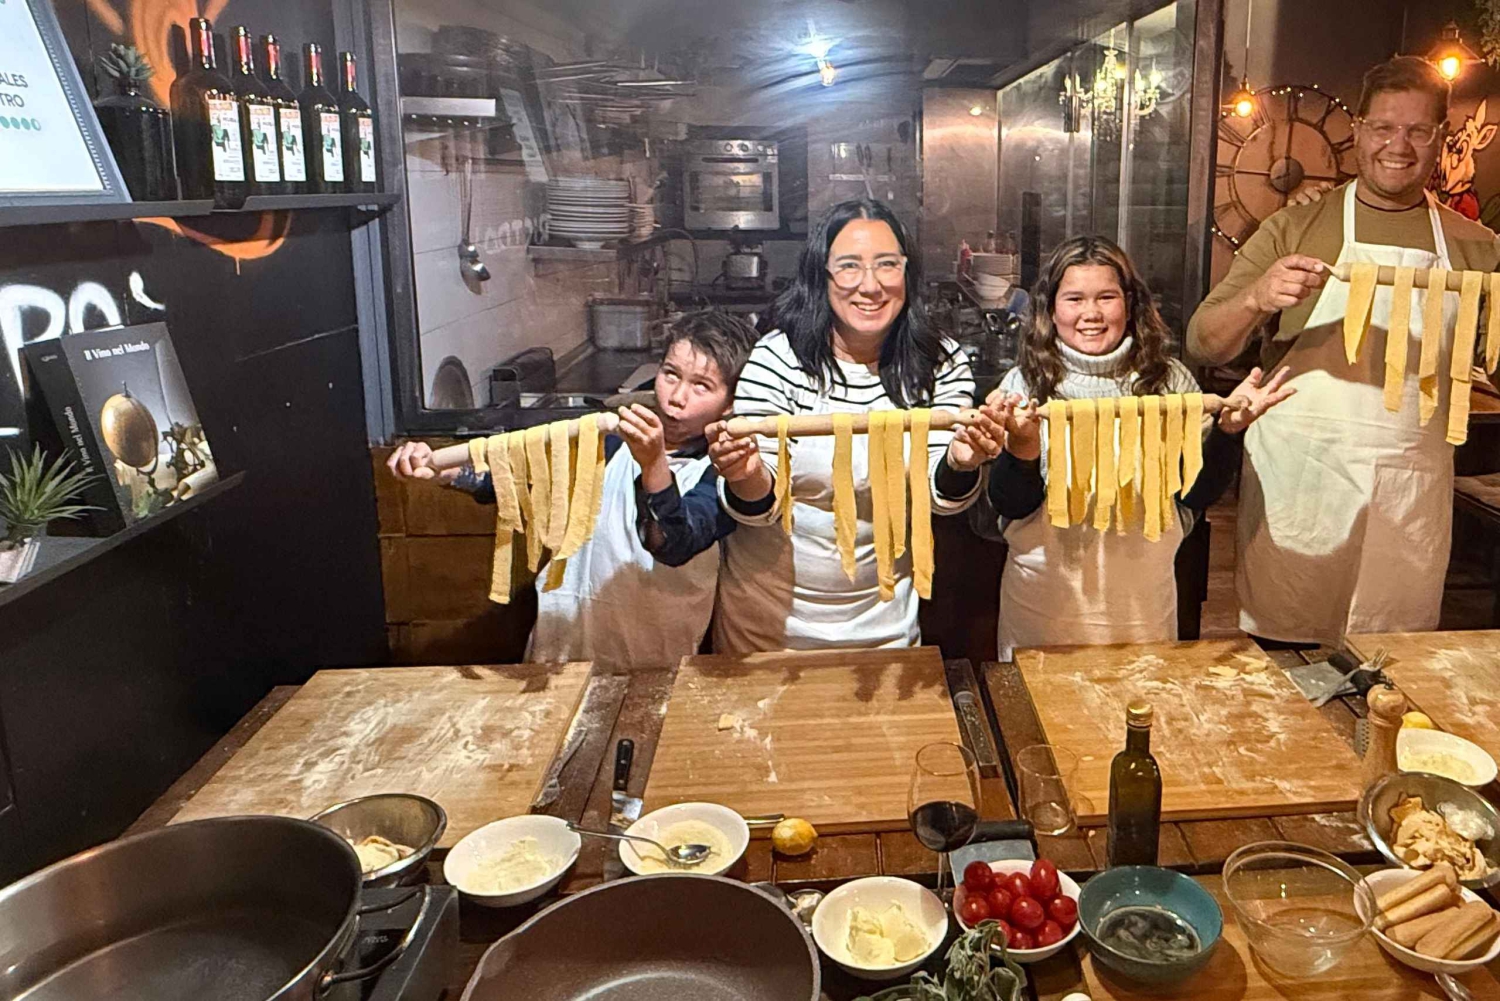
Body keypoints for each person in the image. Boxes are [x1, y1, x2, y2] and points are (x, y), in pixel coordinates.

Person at [1187, 56, 1500, 644]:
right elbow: (1203, 339)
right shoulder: (1295, 230)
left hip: (1408, 488)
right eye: (1384, 127)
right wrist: (1257, 295)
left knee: (1393, 665)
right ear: (1359, 129)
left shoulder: (1477, 248)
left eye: (1417, 131)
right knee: (1285, 663)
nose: (1398, 146)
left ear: (1440, 138)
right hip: (1302, 480)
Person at [705, 198, 1005, 652]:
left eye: (887, 264)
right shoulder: (777, 359)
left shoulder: (939, 363)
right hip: (768, 625)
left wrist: (962, 463)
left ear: (908, 272)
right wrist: (743, 473)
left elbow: (941, 499)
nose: (870, 286)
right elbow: (758, 505)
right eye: (848, 266)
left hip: (884, 621)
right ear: (820, 276)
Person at [386, 310, 758, 668]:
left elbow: (674, 543)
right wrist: (442, 469)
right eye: (670, 374)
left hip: (657, 659)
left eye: (701, 386)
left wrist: (653, 464)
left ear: (729, 404)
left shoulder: (724, 471)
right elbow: (523, 482)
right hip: (562, 646)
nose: (676, 397)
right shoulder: (608, 440)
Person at [982, 236, 1292, 658]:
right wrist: (1023, 447)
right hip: (1042, 606)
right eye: (1074, 298)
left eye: (1106, 297)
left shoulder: (1170, 383)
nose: (1091, 313)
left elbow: (1194, 496)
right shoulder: (1024, 386)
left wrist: (1227, 433)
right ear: (1051, 309)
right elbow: (1010, 505)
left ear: (1129, 303)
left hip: (1143, 610)